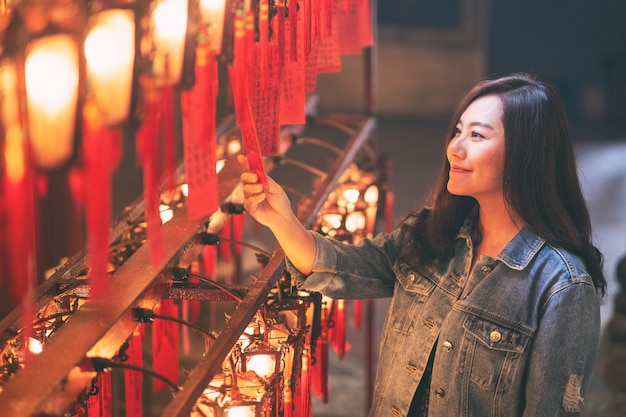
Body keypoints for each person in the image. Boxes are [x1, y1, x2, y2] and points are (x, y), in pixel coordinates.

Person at [239, 73, 606, 417]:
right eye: (457, 131)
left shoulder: (562, 287)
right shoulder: (436, 234)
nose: (454, 149)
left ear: (525, 155)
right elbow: (343, 269)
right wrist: (281, 221)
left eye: (477, 136)